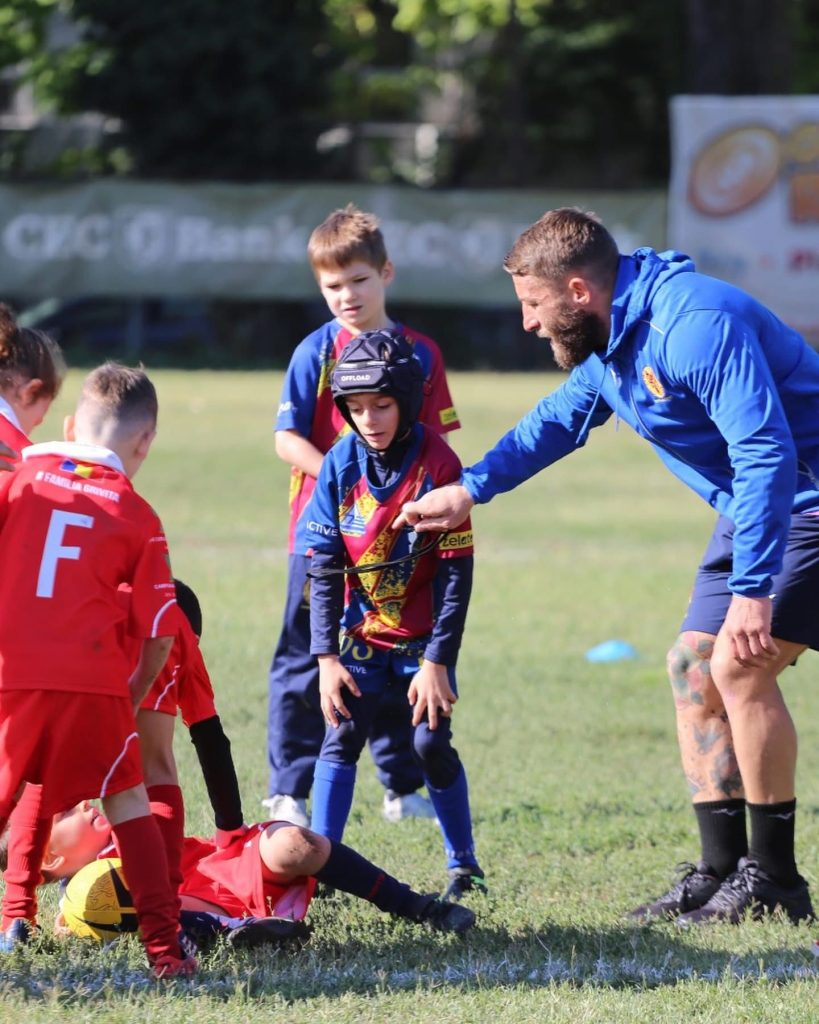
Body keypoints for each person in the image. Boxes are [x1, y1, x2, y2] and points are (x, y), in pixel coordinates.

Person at [397, 206, 819, 926]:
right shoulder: (613, 342)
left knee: (739, 666)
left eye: (533, 304)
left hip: (799, 499)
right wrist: (469, 489)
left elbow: (765, 454)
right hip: (755, 505)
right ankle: (718, 871)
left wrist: (752, 590)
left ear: (578, 291)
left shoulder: (694, 325)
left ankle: (774, 879)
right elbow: (557, 421)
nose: (527, 323)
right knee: (692, 665)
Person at [266, 202, 461, 827]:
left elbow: (439, 441)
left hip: (403, 543)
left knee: (396, 653)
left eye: (359, 281)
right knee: (308, 658)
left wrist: (416, 500)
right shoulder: (314, 353)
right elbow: (285, 439)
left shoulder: (422, 354)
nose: (347, 296)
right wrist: (344, 478)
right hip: (321, 536)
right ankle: (288, 790)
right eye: (332, 286)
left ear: (387, 273)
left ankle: (402, 787)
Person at [0, 361, 195, 977]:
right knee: (126, 798)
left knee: (19, 788)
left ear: (67, 423)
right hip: (92, 684)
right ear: (145, 442)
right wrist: (127, 694)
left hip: (11, 674)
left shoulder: (20, 479)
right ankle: (166, 955)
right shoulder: (138, 515)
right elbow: (161, 632)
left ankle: (13, 918)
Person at [304, 329, 486, 902]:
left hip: (422, 641)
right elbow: (325, 565)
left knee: (430, 746)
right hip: (360, 637)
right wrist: (326, 657)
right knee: (342, 734)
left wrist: (438, 660)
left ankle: (464, 865)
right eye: (355, 408)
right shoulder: (339, 463)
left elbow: (457, 575)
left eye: (381, 405)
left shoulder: (438, 461)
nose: (369, 419)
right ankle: (320, 866)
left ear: (407, 401)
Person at [31, 800, 476, 942]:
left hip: (227, 863)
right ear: (49, 859)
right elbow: (76, 916)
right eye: (68, 813)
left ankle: (416, 906)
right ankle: (241, 932)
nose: (84, 804)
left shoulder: (123, 811)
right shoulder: (86, 899)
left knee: (296, 845)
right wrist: (75, 920)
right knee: (147, 904)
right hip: (206, 910)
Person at [0, 303, 69, 943]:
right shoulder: (29, 457)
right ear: (31, 392)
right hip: (20, 649)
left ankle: (18, 916)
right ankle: (15, 915)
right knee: (30, 777)